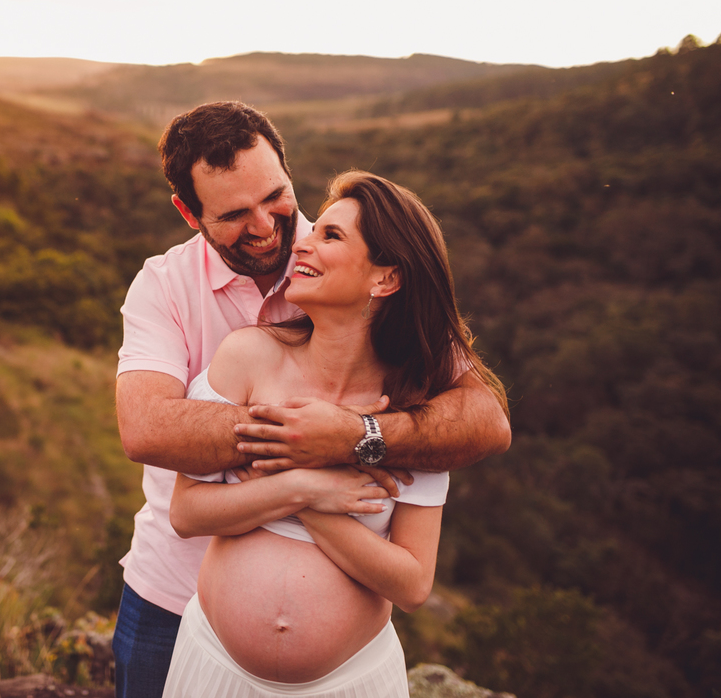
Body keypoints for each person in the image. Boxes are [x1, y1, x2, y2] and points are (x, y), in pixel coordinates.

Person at [113, 101, 511, 698]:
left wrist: (356, 435)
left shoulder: (346, 259)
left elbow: (484, 419)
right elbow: (147, 430)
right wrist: (304, 454)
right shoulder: (164, 287)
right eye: (233, 214)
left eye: (276, 197)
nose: (268, 228)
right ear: (188, 214)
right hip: (170, 595)